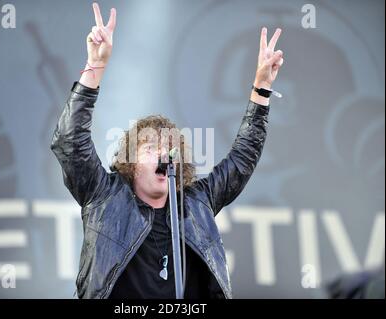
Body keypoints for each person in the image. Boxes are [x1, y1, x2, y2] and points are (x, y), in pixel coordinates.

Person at [51, 2, 284, 299]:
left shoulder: (197, 203)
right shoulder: (105, 198)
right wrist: (95, 67)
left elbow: (243, 157)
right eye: (151, 147)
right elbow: (70, 141)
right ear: (131, 162)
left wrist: (261, 88)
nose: (164, 154)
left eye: (170, 147)